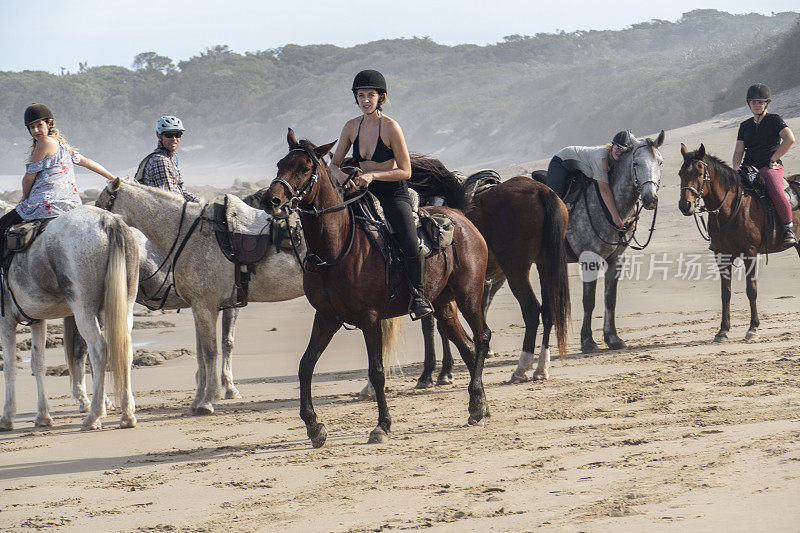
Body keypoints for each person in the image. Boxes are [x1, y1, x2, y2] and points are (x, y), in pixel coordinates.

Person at [329, 70, 433, 320]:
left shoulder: (391, 128)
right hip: (360, 190)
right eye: (361, 95)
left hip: (392, 191)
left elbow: (405, 171)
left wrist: (373, 175)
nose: (365, 100)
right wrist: (344, 178)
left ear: (381, 98)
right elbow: (333, 164)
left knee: (408, 240)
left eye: (371, 95)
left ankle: (418, 295)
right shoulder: (351, 126)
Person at [0, 103, 120, 252]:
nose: (36, 130)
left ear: (49, 123)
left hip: (46, 204)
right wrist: (112, 177)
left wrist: (24, 199)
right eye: (32, 127)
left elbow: (28, 179)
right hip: (72, 204)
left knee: (2, 226)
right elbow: (88, 163)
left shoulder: (44, 142)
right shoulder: (62, 145)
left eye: (39, 125)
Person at [732, 83, 796, 248]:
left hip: (770, 167)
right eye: (753, 102)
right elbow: (739, 151)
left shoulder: (774, 120)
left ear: (766, 103)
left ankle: (788, 229)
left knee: (775, 190)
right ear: (749, 104)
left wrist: (774, 158)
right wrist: (736, 167)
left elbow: (790, 139)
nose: (757, 105)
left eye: (760, 102)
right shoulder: (744, 125)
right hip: (749, 168)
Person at [545, 131, 638, 230]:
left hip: (580, 167)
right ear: (612, 146)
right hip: (562, 161)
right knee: (554, 201)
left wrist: (634, 213)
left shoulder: (617, 161)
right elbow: (605, 190)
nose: (620, 152)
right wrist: (616, 217)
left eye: (623, 151)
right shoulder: (601, 158)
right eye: (618, 148)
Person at [135, 115, 199, 203]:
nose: (174, 139)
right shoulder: (160, 160)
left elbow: (182, 191)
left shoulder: (171, 158)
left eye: (178, 134)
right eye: (169, 135)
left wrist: (201, 204)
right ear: (159, 135)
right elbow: (172, 199)